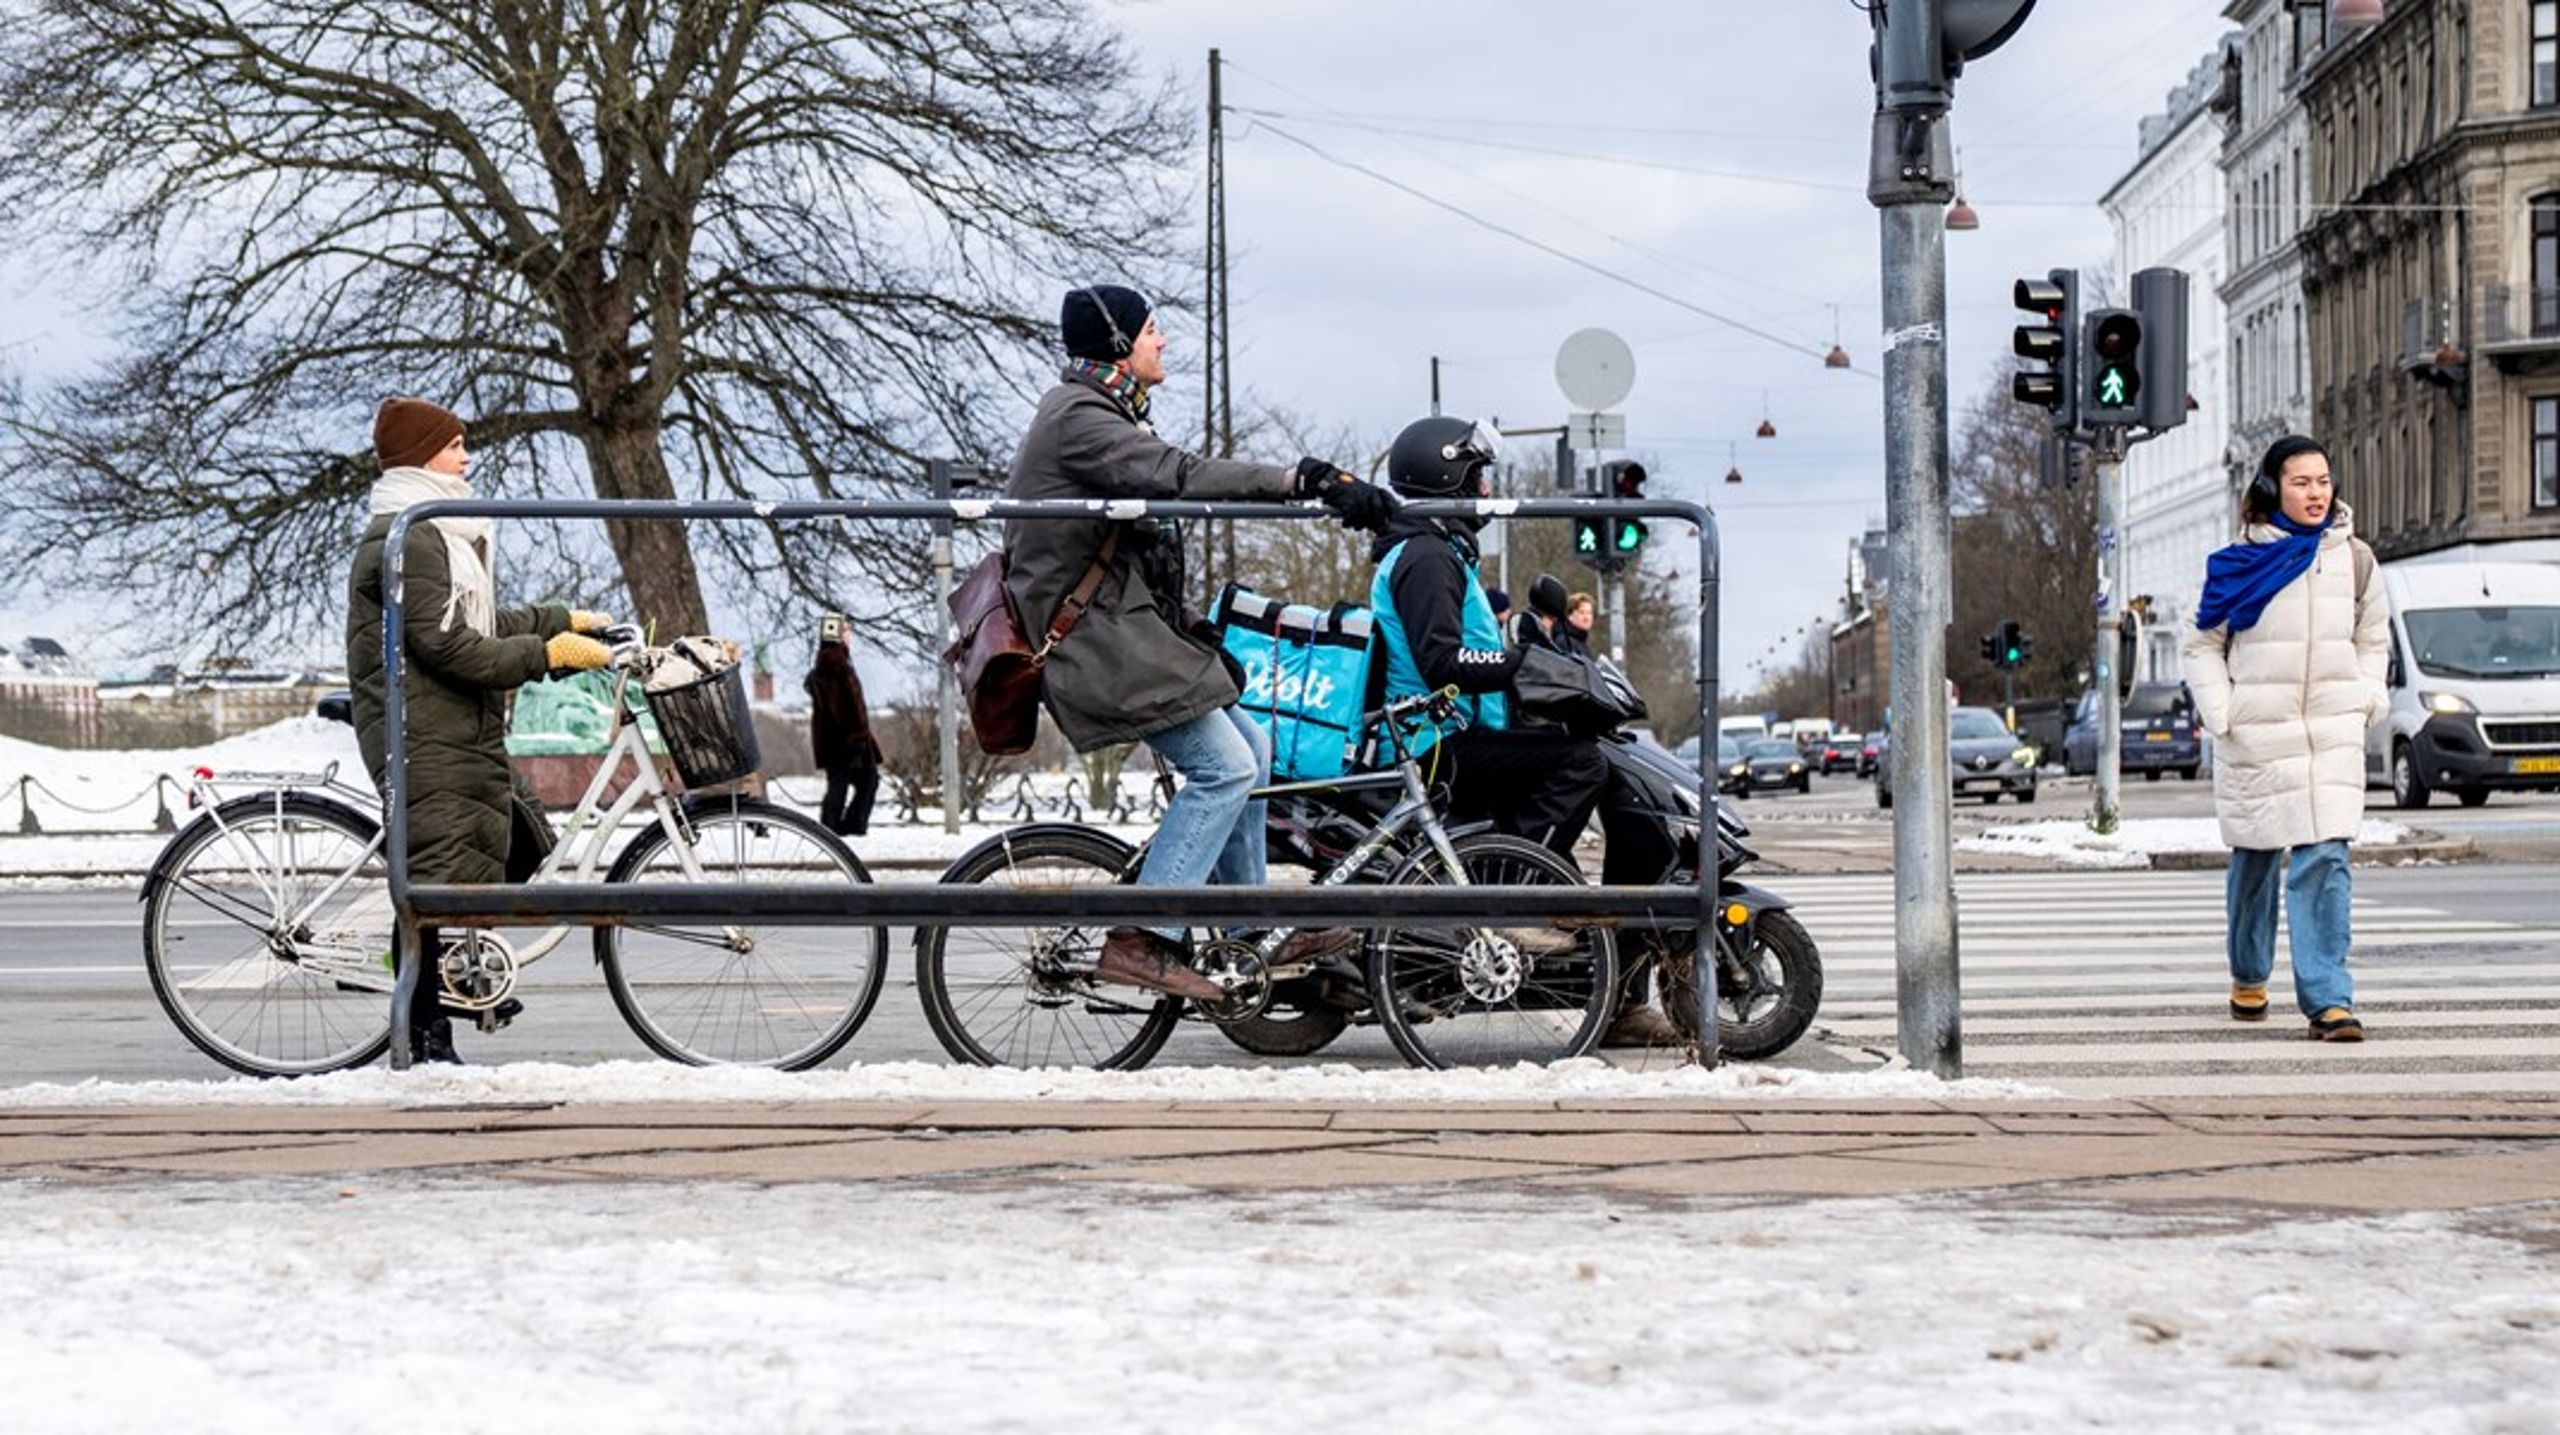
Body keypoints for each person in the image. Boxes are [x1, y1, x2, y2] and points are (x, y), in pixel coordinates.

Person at [1007, 284, 1394, 1002]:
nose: (1162, 342)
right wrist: (1297, 480)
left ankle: (1248, 929)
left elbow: (1130, 554)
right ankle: (1141, 936)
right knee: (1224, 767)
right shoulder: (1078, 419)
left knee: (1255, 750)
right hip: (1096, 647)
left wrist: (1194, 632)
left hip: (1124, 635)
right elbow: (1180, 474)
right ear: (1118, 344)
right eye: (1151, 330)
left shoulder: (1102, 412)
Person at [1367, 415, 1678, 1045]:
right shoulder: (1426, 556)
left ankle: (1585, 956)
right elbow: (1442, 660)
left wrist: (1538, 671)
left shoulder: (1437, 549)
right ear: (1446, 477)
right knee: (1581, 764)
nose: (1485, 491)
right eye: (1476, 477)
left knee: (1576, 759)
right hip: (1435, 745)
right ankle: (1514, 900)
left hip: (1453, 732)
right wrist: (1522, 666)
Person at [347, 397, 618, 1064]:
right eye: (454, 445)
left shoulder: (435, 527)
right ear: (421, 455)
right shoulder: (410, 534)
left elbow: (480, 621)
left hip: (453, 724)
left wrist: (562, 620)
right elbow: (449, 645)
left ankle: (455, 987)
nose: (466, 457)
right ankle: (423, 1034)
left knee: (500, 849)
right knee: (434, 879)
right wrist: (546, 654)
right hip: (421, 729)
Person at [2181, 434, 2389, 1043]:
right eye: (2301, 482)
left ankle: (2329, 1001)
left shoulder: (2356, 560)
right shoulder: (2237, 562)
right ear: (2273, 489)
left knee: (2326, 860)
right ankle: (2248, 972)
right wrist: (2224, 713)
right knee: (2256, 859)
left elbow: (2373, 638)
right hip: (2258, 733)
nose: (2316, 493)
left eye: (2323, 481)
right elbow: (2202, 643)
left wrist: (2367, 696)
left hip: (2331, 730)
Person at [806, 614, 880, 838]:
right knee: (858, 782)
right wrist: (857, 734)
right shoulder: (835, 662)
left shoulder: (832, 660)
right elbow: (843, 705)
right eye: (846, 630)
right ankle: (841, 827)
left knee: (850, 782)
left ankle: (837, 827)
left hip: (840, 739)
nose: (850, 635)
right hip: (845, 739)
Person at [1558, 590, 1597, 660]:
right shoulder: (1565, 642)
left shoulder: (1581, 642)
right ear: (1570, 616)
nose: (1586, 617)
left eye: (1589, 613)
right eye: (1581, 612)